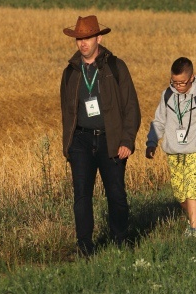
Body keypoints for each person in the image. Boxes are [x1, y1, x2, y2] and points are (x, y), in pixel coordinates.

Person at [60, 15, 141, 256]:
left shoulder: (116, 67)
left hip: (111, 140)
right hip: (81, 142)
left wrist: (127, 141)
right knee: (81, 196)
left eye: (87, 38)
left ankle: (120, 242)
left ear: (99, 38)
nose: (83, 43)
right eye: (79, 39)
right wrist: (69, 146)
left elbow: (131, 107)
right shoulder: (70, 72)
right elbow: (66, 111)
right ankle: (85, 247)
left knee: (116, 194)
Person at [146, 57, 196, 237]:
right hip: (174, 151)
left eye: (182, 82)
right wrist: (152, 142)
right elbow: (159, 121)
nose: (178, 86)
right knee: (180, 193)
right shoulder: (167, 95)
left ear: (192, 78)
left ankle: (194, 229)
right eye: (174, 82)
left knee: (193, 187)